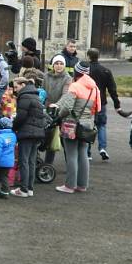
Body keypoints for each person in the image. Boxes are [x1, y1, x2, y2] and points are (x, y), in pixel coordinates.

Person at [51, 61, 101, 193]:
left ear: (76, 72)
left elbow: (67, 107)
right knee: (83, 153)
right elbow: (97, 108)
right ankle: (82, 185)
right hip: (87, 124)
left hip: (72, 124)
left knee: (71, 154)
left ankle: (69, 185)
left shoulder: (75, 86)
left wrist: (58, 117)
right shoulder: (95, 88)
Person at [9, 77, 48, 198]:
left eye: (16, 87)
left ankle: (23, 189)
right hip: (37, 133)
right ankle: (29, 188)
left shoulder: (24, 96)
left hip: (27, 132)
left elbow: (21, 116)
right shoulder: (35, 95)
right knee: (31, 161)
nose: (15, 90)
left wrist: (13, 127)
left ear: (23, 85)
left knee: (23, 161)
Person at [87, 48, 121, 161]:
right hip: (101, 102)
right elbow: (112, 89)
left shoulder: (86, 70)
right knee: (101, 125)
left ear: (88, 56)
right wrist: (117, 104)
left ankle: (87, 151)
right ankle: (102, 148)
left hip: (87, 102)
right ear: (98, 56)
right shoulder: (105, 71)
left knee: (88, 126)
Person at [43, 55, 73, 165]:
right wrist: (43, 104)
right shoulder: (46, 76)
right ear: (53, 65)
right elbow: (43, 92)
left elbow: (65, 94)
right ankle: (47, 164)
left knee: (65, 140)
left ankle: (70, 164)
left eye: (61, 63)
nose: (59, 66)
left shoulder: (68, 78)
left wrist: (57, 105)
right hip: (48, 110)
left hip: (62, 112)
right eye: (56, 63)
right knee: (50, 137)